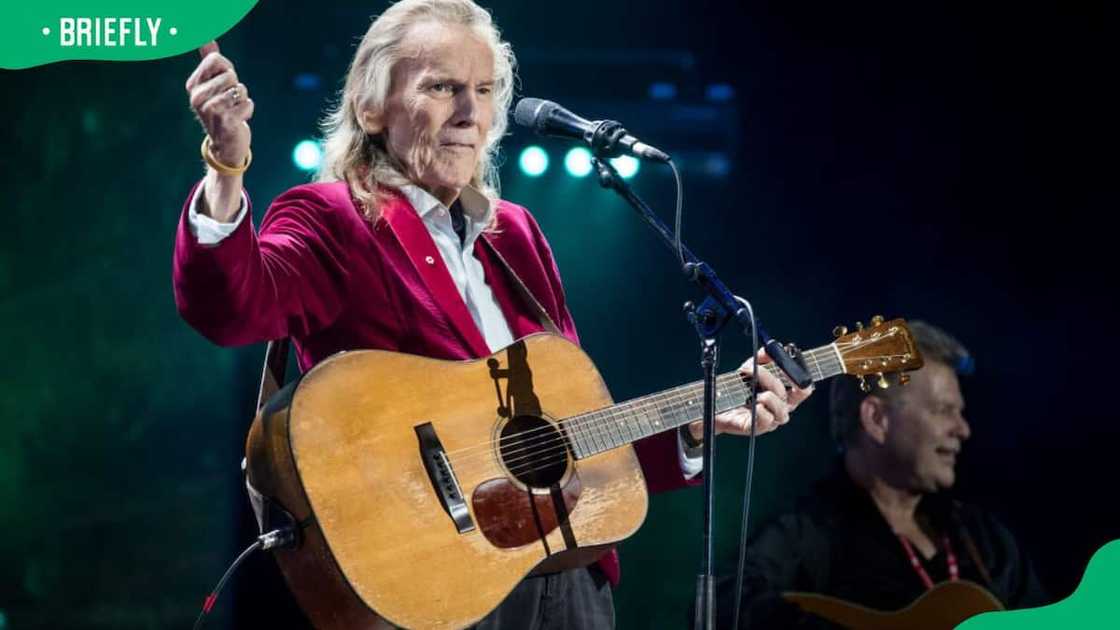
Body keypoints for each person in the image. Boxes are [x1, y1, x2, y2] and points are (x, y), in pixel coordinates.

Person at [173, 1, 813, 628]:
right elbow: (230, 308)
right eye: (442, 86)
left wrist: (698, 428)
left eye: (483, 90)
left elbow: (566, 436)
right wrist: (227, 166)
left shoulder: (518, 235)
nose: (469, 112)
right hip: (436, 586)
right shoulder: (333, 217)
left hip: (570, 584)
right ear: (371, 108)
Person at [716, 320, 1048, 628]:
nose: (963, 430)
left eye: (959, 413)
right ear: (876, 419)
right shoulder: (807, 535)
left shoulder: (985, 540)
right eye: (944, 411)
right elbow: (722, 607)